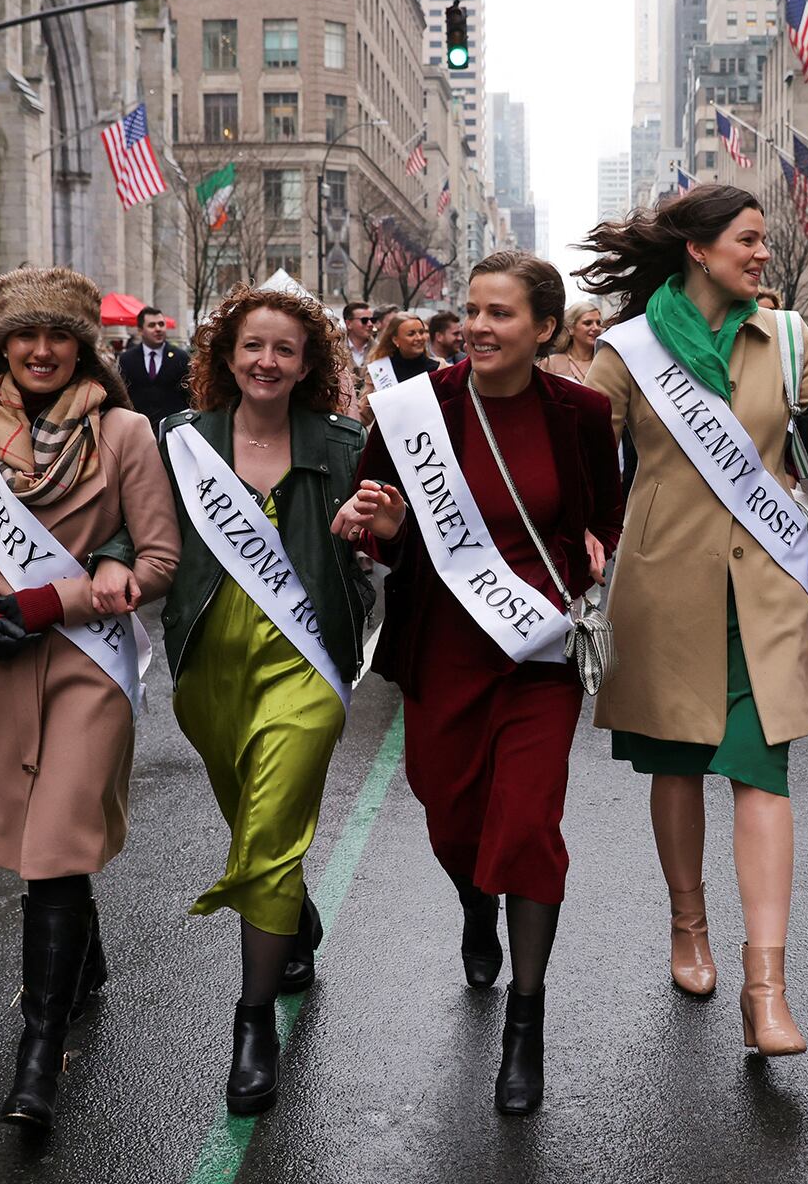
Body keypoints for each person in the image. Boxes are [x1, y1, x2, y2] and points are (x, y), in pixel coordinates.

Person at [574, 183, 808, 1056]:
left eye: (766, 242)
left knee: (763, 775)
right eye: (749, 239)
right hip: (663, 592)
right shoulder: (627, 350)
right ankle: (690, 927)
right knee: (677, 765)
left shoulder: (789, 335)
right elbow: (580, 465)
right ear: (698, 248)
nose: (763, 254)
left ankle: (769, 989)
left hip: (763, 591)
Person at [333, 250, 622, 1115]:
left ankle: (525, 1025)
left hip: (538, 655)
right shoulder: (418, 411)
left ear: (544, 327)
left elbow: (600, 511)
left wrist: (595, 549)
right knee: (452, 814)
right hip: (445, 648)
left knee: (529, 824)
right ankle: (473, 898)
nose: (483, 327)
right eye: (475, 312)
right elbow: (376, 516)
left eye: (503, 314)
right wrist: (380, 523)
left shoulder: (582, 411)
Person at [0, 266, 180, 1130]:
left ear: (82, 346)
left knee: (54, 845)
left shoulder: (128, 432)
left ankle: (37, 1059)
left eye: (58, 335)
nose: (39, 350)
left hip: (85, 662)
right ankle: (83, 956)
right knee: (43, 847)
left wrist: (50, 598)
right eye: (22, 336)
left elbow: (158, 563)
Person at [157, 286, 366, 1117]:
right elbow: (143, 534)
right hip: (207, 661)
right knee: (256, 824)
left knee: (271, 825)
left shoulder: (346, 444)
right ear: (226, 356)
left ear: (308, 363)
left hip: (305, 663)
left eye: (285, 349)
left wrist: (373, 524)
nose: (267, 362)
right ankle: (295, 918)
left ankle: (252, 1024)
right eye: (252, 347)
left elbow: (392, 541)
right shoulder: (182, 443)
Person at [356, 310, 441, 422]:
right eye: (411, 334)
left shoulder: (439, 368)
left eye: (422, 332)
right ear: (395, 339)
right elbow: (364, 416)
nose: (419, 338)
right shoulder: (380, 370)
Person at [119, 306, 191, 425]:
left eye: (161, 324)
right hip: (138, 428)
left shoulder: (180, 357)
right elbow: (123, 395)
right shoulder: (127, 359)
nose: (158, 329)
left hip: (173, 428)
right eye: (152, 325)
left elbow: (188, 394)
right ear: (140, 330)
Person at [537, 300, 603, 383]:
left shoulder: (606, 364)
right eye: (588, 323)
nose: (595, 328)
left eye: (598, 323)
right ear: (571, 328)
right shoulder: (550, 364)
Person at [341, 301, 375, 369]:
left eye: (372, 320)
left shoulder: (380, 351)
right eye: (364, 320)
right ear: (349, 324)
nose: (370, 324)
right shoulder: (334, 352)